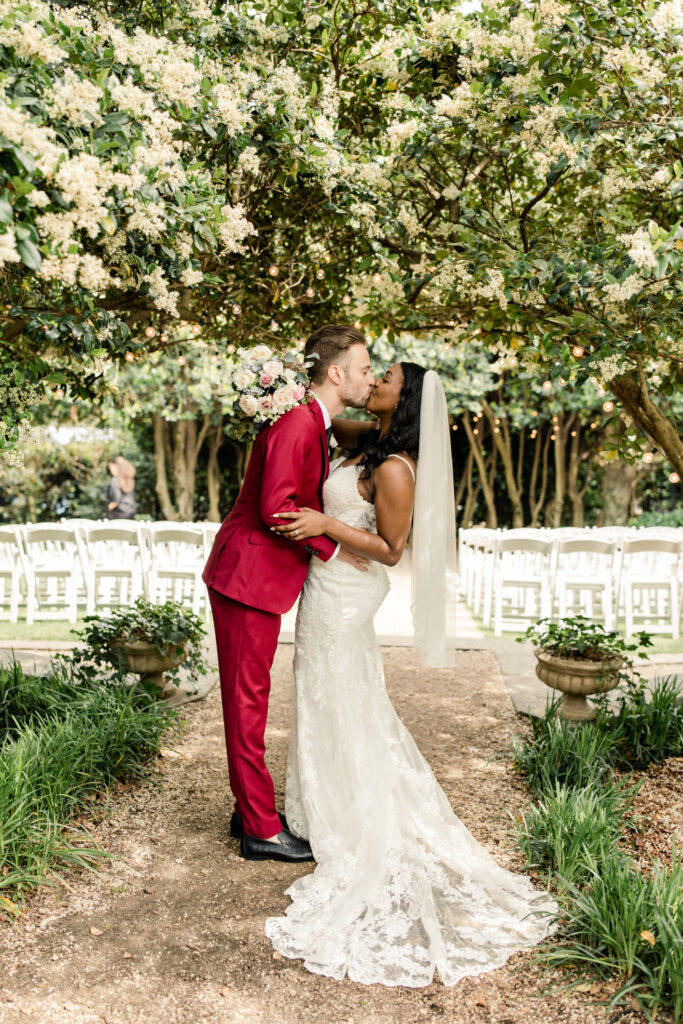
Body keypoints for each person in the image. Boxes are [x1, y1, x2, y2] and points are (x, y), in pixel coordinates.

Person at [265, 364, 558, 986]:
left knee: (343, 695)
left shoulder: (395, 468)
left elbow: (392, 549)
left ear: (408, 399)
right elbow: (312, 412)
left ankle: (354, 816)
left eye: (388, 377)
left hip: (350, 589)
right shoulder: (362, 443)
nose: (376, 379)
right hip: (324, 585)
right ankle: (323, 805)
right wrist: (278, 388)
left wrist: (325, 525)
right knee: (323, 695)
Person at [202, 325, 375, 863]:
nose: (371, 379)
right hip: (247, 578)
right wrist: (333, 548)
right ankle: (259, 828)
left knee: (249, 698)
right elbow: (276, 509)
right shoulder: (300, 423)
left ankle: (248, 808)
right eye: (366, 370)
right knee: (246, 702)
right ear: (337, 372)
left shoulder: (313, 420)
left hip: (258, 578)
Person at [105, 456, 136, 520]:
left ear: (115, 466)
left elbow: (116, 499)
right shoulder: (129, 480)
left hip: (116, 515)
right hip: (130, 514)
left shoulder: (115, 480)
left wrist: (108, 507)